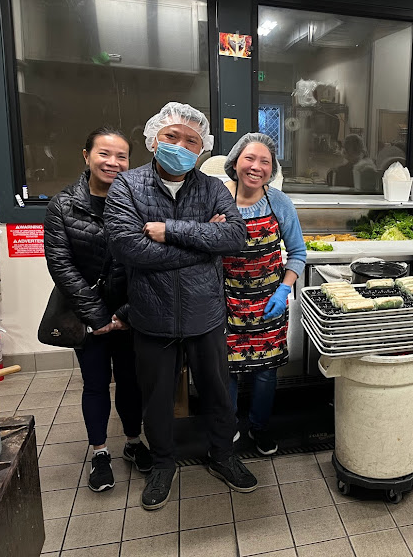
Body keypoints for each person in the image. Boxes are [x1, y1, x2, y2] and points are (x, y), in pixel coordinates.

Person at [104, 102, 256, 511]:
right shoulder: (128, 187)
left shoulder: (211, 188)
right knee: (155, 397)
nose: (181, 146)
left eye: (191, 141)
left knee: (218, 393)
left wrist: (171, 231)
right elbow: (127, 246)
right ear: (154, 139)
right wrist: (201, 245)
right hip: (151, 315)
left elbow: (234, 238)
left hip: (204, 312)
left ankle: (223, 455)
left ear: (202, 149)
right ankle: (163, 463)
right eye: (172, 136)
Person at [44, 127, 151, 492]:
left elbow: (145, 262)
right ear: (86, 155)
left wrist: (123, 314)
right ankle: (99, 451)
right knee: (95, 384)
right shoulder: (62, 205)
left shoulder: (137, 203)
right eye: (105, 153)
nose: (113, 162)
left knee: (130, 381)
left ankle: (134, 443)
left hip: (129, 313)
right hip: (86, 315)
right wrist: (99, 318)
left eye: (122, 156)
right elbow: (61, 265)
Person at [221, 133, 307, 455]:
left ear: (272, 170)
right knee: (225, 370)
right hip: (225, 303)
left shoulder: (278, 202)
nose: (256, 167)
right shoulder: (217, 200)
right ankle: (227, 427)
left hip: (268, 303)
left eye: (265, 162)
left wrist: (284, 288)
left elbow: (298, 252)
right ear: (235, 162)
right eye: (249, 159)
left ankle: (259, 427)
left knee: (265, 372)